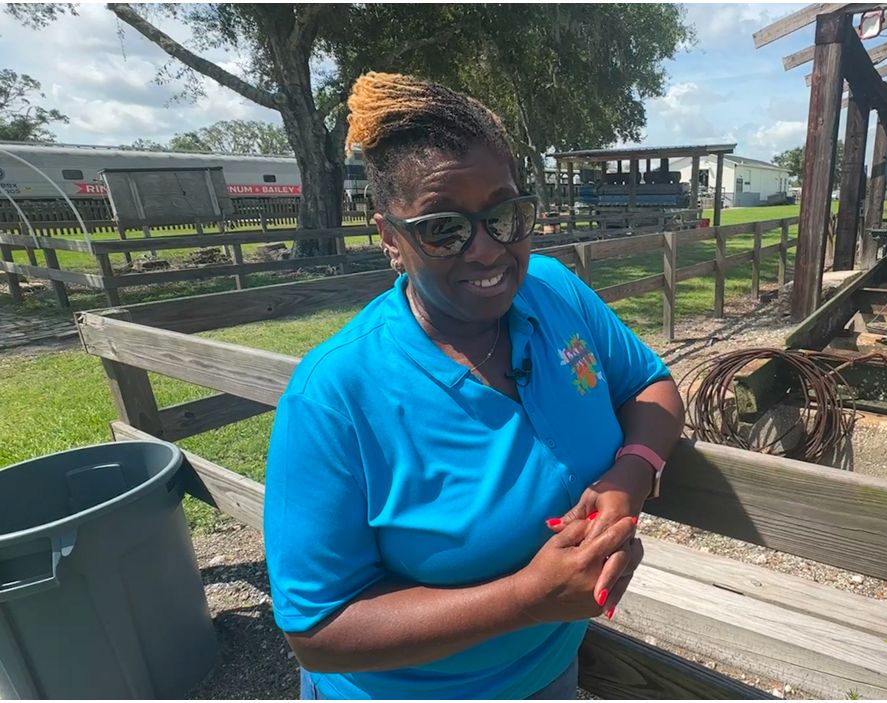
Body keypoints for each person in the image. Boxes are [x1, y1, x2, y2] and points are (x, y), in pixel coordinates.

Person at [262, 71, 685, 700]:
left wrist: (631, 475)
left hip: (550, 674)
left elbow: (648, 383)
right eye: (444, 229)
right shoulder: (334, 396)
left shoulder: (554, 293)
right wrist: (526, 599)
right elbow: (317, 629)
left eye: (505, 215)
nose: (487, 251)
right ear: (390, 238)